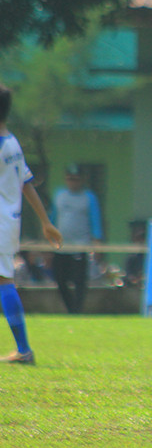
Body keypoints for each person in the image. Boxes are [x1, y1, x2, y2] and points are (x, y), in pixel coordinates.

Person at [0, 84, 63, 365]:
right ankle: (23, 349)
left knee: (4, 282)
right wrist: (46, 222)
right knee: (4, 281)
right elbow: (27, 184)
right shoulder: (12, 142)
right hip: (8, 223)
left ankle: (24, 350)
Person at [51, 163, 103, 314]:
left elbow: (95, 221)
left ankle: (77, 311)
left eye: (76, 179)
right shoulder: (59, 195)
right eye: (70, 179)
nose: (72, 182)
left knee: (80, 281)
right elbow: (52, 219)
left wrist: (97, 244)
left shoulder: (89, 197)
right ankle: (70, 309)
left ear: (82, 180)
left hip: (80, 246)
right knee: (60, 280)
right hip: (61, 247)